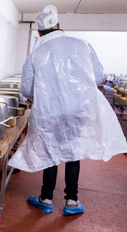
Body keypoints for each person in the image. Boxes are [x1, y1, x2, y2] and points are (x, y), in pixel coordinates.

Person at [8, 5, 127, 216]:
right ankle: (71, 201)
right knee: (74, 152)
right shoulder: (83, 45)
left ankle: (45, 199)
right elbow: (97, 78)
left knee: (50, 152)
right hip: (78, 111)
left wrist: (45, 96)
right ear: (59, 26)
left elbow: (26, 89)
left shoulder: (36, 54)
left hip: (50, 113)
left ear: (38, 32)